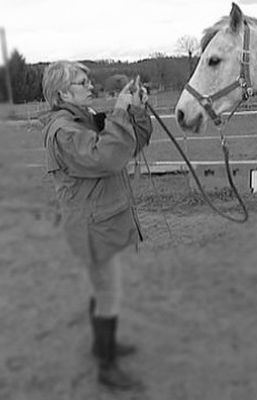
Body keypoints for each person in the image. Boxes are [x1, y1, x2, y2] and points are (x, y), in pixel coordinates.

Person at [40, 61, 152, 391]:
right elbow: (108, 158)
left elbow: (132, 143)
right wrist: (119, 112)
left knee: (104, 290)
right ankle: (107, 366)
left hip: (102, 222)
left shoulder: (86, 120)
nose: (90, 86)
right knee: (108, 293)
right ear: (61, 93)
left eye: (88, 80)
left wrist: (137, 112)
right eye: (81, 81)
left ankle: (102, 346)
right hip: (91, 228)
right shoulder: (64, 131)